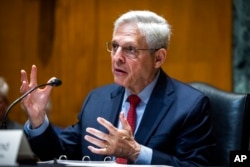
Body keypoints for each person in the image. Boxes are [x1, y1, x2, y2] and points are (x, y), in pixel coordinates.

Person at [20, 10, 215, 166]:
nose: (117, 57)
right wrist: (38, 121)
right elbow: (60, 155)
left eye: (130, 49)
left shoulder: (189, 106)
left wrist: (136, 152)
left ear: (158, 58)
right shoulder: (98, 99)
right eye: (114, 46)